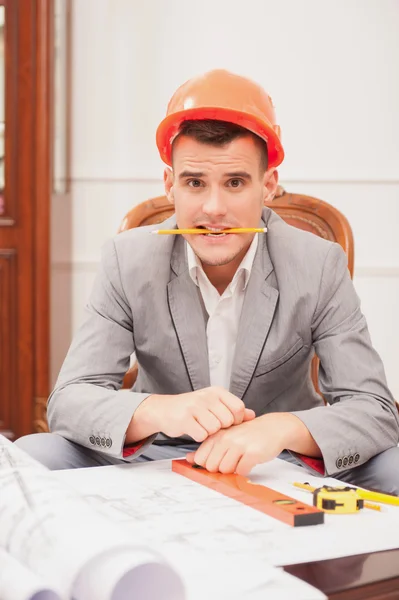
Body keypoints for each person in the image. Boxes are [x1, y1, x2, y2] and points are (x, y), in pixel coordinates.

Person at [16, 69, 399, 494]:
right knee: (33, 455)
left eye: (235, 183)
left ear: (267, 185)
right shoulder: (126, 259)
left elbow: (375, 410)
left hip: (282, 460)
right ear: (169, 186)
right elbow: (69, 401)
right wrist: (161, 411)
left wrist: (282, 429)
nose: (213, 209)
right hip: (158, 454)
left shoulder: (319, 263)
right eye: (195, 183)